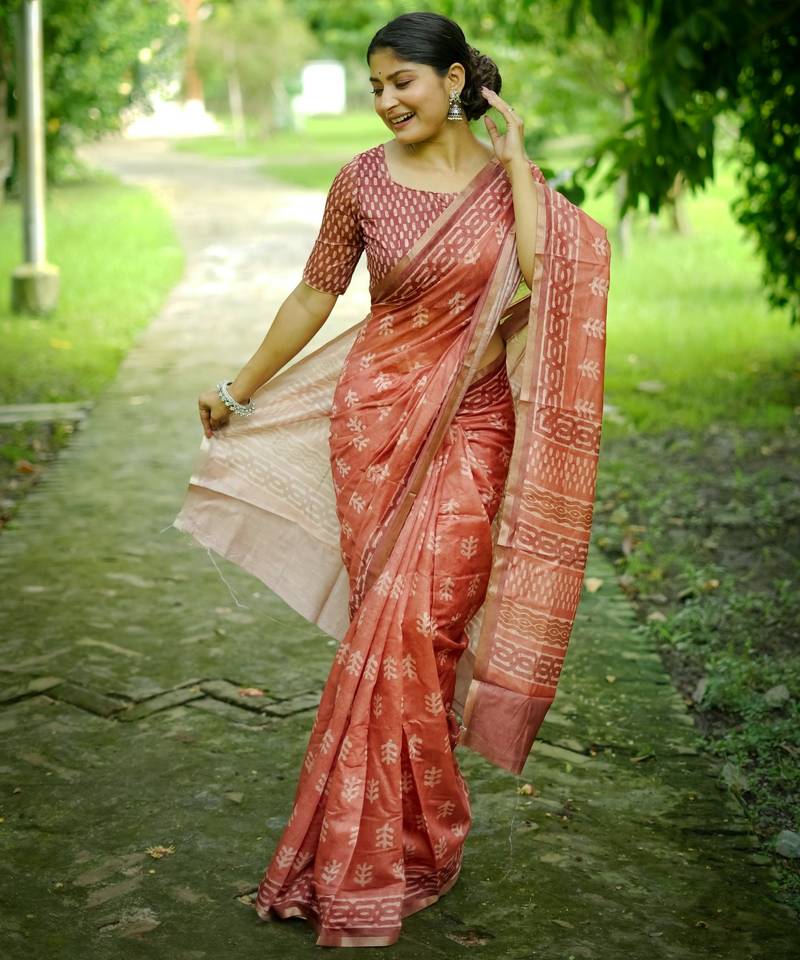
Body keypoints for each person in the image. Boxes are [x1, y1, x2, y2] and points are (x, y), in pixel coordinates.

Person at [172, 10, 610, 949]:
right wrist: (236, 389)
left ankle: (420, 836)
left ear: (456, 82)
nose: (384, 102)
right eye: (374, 86)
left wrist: (520, 155)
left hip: (476, 422)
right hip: (374, 420)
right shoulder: (361, 181)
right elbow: (315, 293)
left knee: (427, 626)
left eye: (400, 83)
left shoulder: (511, 186)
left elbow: (548, 272)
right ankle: (381, 845)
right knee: (390, 625)